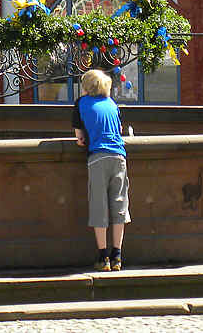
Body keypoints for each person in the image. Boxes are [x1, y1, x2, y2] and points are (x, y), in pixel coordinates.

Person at [72, 69, 130, 271]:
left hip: (98, 157)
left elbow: (80, 138)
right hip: (119, 156)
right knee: (119, 205)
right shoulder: (113, 105)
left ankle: (103, 257)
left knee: (99, 206)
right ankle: (118, 257)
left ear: (87, 86)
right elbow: (119, 130)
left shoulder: (81, 103)